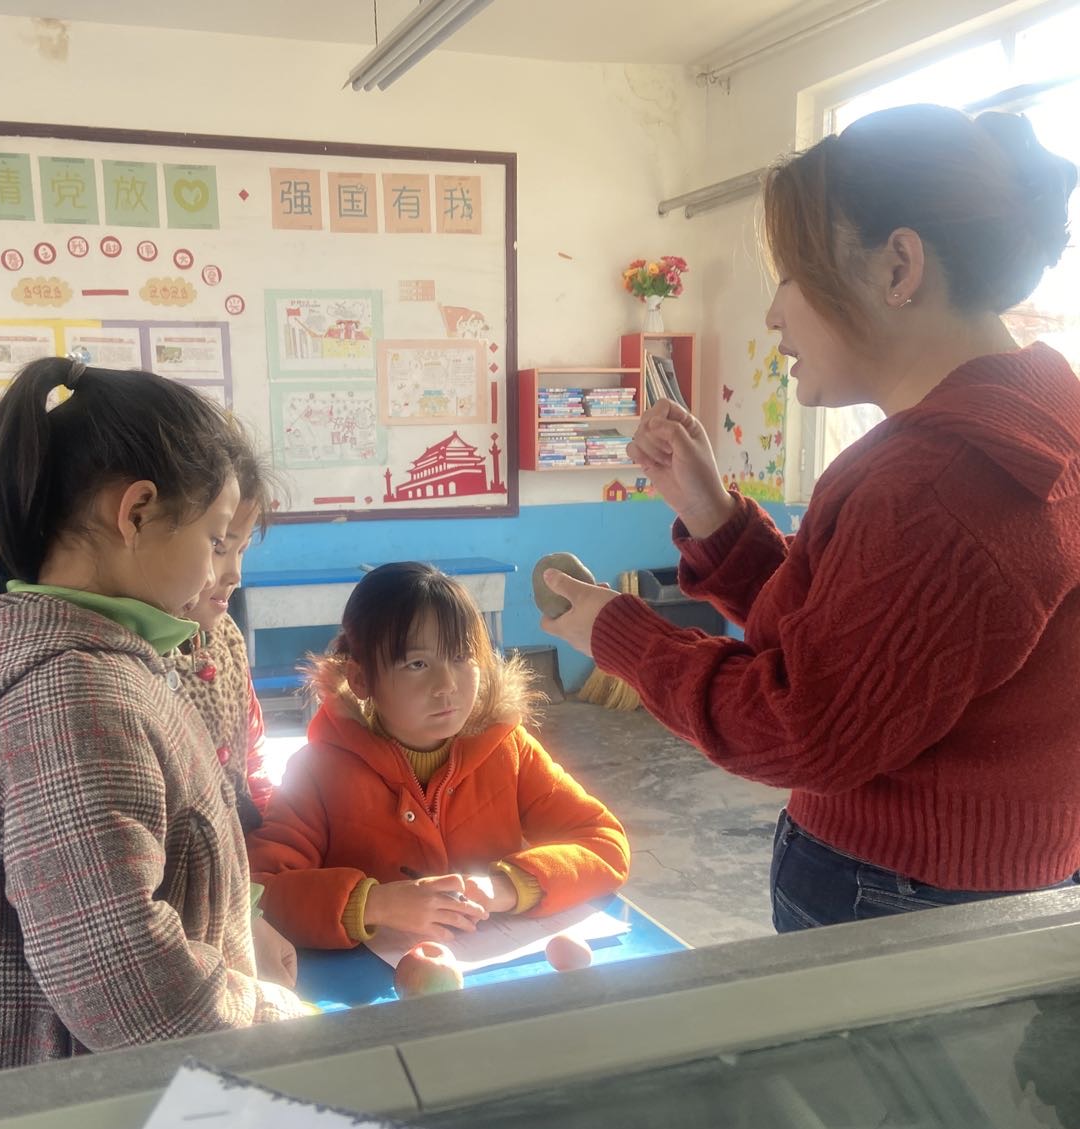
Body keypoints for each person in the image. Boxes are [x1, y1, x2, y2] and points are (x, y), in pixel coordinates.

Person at [542, 103, 1080, 932]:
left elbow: (802, 726)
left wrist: (619, 632)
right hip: (989, 883)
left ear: (899, 266)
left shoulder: (940, 479)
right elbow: (867, 640)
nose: (773, 314)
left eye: (792, 275)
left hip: (904, 894)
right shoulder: (1042, 418)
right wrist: (713, 516)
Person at [0, 356, 308, 1086]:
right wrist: (282, 1021)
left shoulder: (103, 666)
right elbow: (128, 986)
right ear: (137, 513)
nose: (219, 571)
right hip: (75, 1100)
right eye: (215, 539)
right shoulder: (74, 703)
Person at [247, 562, 630, 950]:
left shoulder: (508, 749)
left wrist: (506, 887)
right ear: (361, 679)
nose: (446, 685)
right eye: (417, 664)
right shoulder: (318, 773)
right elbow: (256, 893)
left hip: (495, 974)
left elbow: (605, 843)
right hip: (377, 982)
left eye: (462, 656)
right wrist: (373, 904)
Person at [172, 452, 294, 986]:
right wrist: (247, 913)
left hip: (241, 871)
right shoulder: (140, 667)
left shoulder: (225, 638)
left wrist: (272, 848)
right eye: (219, 546)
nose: (235, 575)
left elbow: (251, 757)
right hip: (185, 903)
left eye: (242, 550)